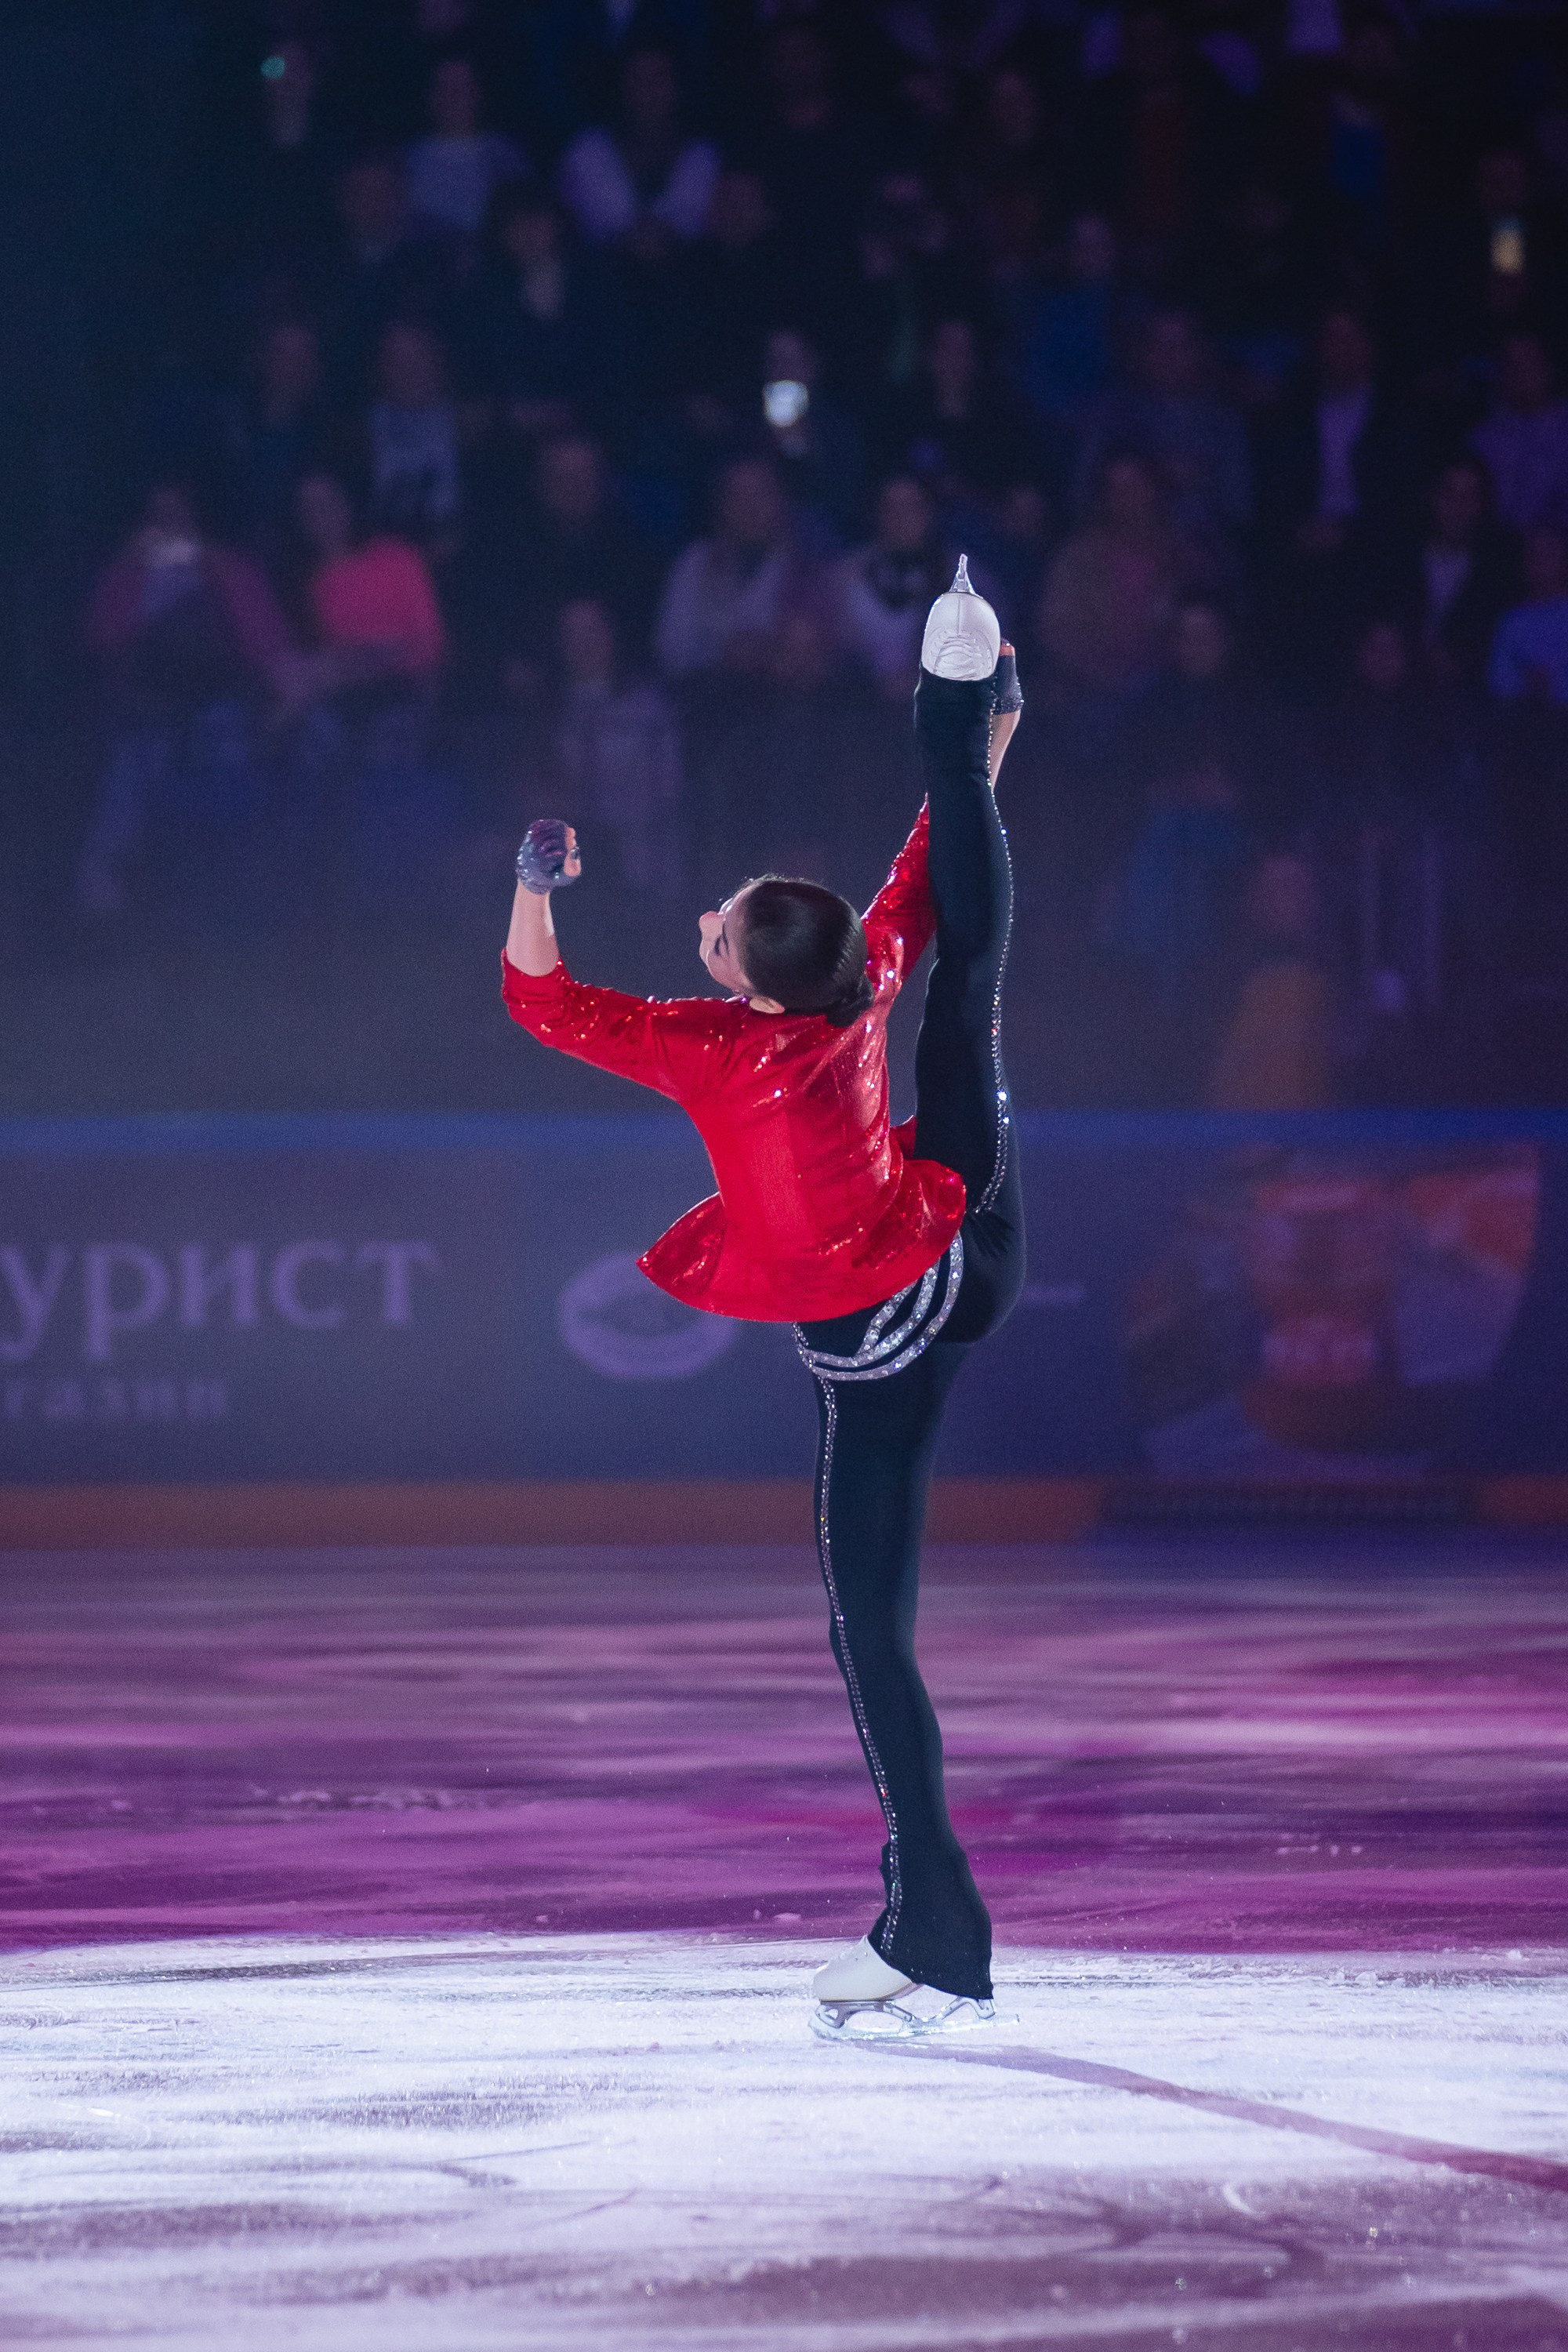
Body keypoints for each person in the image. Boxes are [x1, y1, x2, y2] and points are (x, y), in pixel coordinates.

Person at [500, 564, 1025, 2038]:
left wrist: (536, 889)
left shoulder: (716, 1046)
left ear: (757, 988)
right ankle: (963, 700)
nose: (713, 922)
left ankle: (931, 1932)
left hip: (895, 1327)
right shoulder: (856, 980)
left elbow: (545, 1004)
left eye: (725, 925)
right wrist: (972, 755)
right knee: (967, 979)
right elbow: (919, 889)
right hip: (963, 1233)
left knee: (871, 1629)